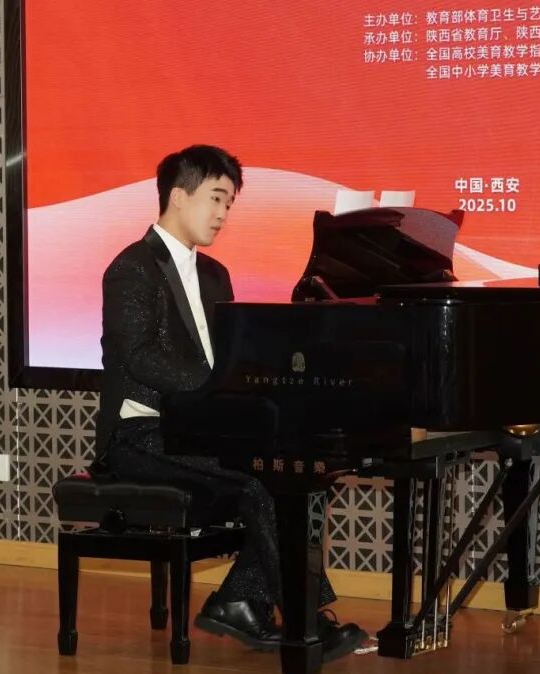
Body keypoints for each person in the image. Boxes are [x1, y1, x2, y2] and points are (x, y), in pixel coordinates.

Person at [91, 145, 367, 660]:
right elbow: (137, 356)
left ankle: (239, 600)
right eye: (216, 198)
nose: (223, 213)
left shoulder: (214, 274)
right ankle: (304, 624)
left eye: (229, 204)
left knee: (304, 476)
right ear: (178, 196)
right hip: (140, 435)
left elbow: (232, 354)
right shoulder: (132, 268)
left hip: (199, 429)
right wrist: (214, 389)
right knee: (262, 484)